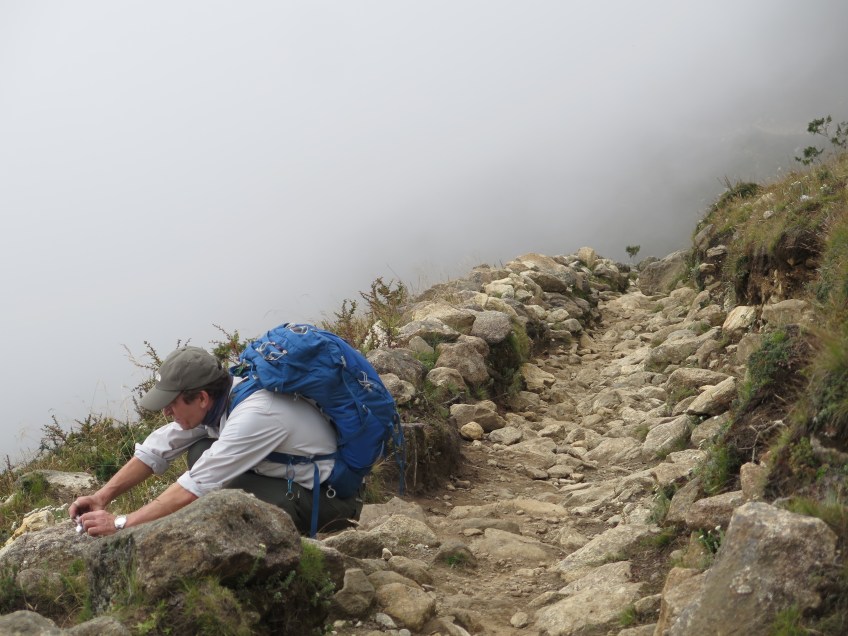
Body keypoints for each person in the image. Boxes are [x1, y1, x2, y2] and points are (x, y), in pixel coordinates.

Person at [69, 346, 362, 537]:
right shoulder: (223, 398)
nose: (166, 412)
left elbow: (196, 484)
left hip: (330, 502)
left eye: (171, 405)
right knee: (199, 449)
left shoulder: (256, 415)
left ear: (201, 398)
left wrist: (122, 524)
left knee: (220, 488)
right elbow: (159, 447)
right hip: (295, 482)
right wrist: (101, 497)